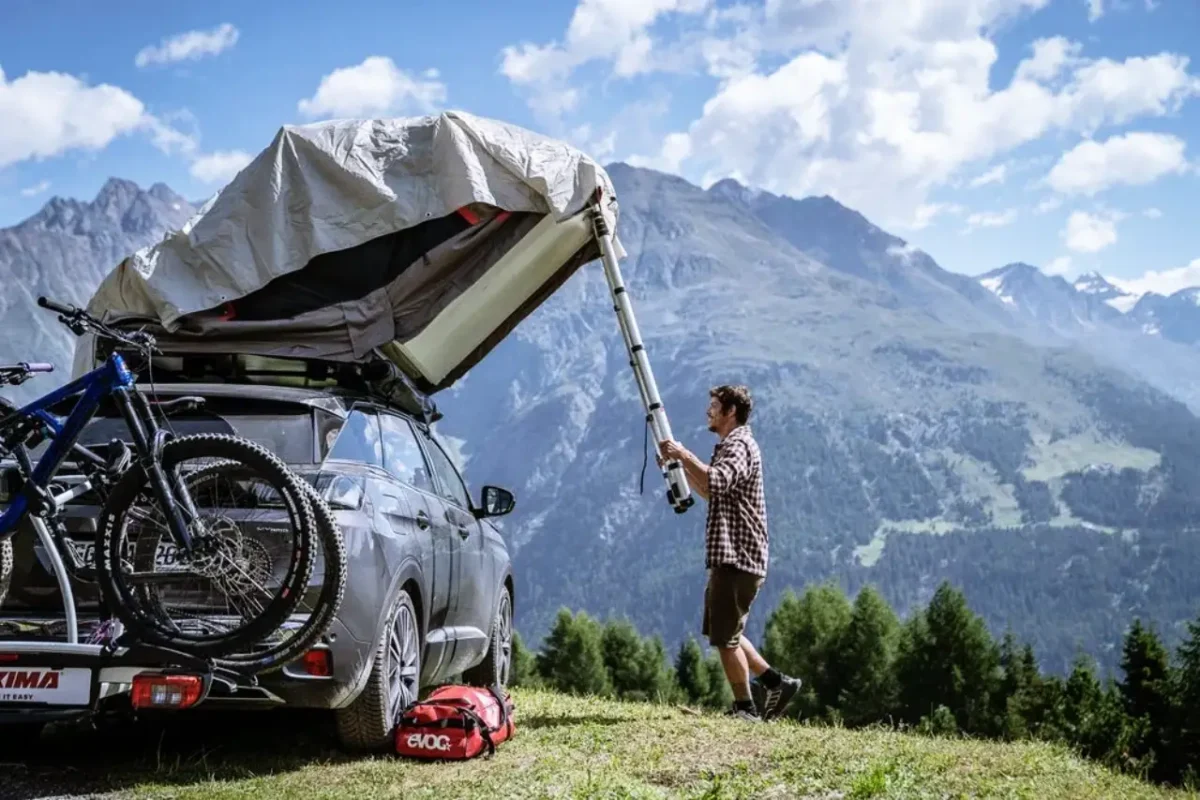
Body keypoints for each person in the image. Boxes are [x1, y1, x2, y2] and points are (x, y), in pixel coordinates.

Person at [658, 384, 802, 722]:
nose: (708, 411)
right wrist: (678, 466)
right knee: (725, 632)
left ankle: (745, 708)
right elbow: (711, 490)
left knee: (726, 638)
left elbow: (718, 481)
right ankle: (776, 683)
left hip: (739, 555)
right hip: (733, 555)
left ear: (730, 411)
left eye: (714, 406)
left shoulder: (738, 446)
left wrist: (682, 454)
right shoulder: (731, 445)